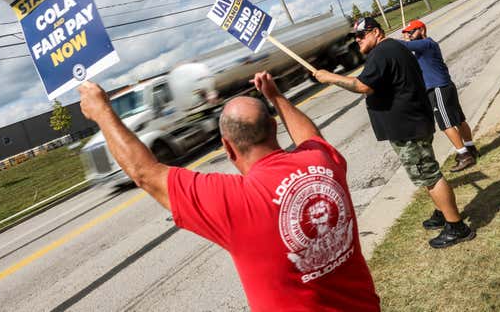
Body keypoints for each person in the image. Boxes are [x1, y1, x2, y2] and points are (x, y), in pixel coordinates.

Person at [79, 72, 380, 312]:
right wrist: (275, 96)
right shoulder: (321, 162)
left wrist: (102, 111)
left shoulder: (235, 200)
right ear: (274, 129)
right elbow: (311, 137)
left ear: (227, 147)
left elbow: (146, 173)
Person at [314, 17, 475, 248]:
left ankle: (457, 227)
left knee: (429, 175)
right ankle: (442, 213)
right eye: (355, 37)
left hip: (408, 127)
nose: (357, 40)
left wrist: (328, 77)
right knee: (426, 171)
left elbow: (362, 86)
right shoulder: (394, 48)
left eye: (362, 35)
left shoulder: (382, 52)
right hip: (412, 122)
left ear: (376, 31)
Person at [398, 19, 478, 172]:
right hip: (445, 86)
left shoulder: (426, 44)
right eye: (407, 33)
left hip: (438, 89)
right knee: (459, 120)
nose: (408, 35)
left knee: (446, 124)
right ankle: (470, 148)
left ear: (421, 30)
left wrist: (394, 41)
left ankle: (464, 155)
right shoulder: (422, 48)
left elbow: (404, 46)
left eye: (411, 32)